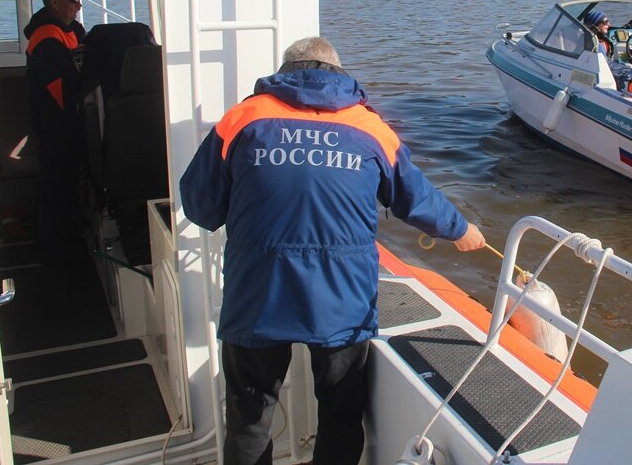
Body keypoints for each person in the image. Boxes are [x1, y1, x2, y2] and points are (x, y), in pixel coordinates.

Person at [179, 36, 486, 465]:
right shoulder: (369, 127)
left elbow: (199, 206)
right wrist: (462, 230)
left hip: (257, 295)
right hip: (341, 300)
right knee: (340, 417)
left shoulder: (242, 119)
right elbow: (416, 200)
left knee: (250, 421)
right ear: (338, 73)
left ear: (284, 71)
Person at [24, 0, 88, 261]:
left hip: (64, 125)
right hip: (57, 127)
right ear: (54, 2)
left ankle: (65, 237)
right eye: (73, 0)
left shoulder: (66, 29)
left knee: (64, 182)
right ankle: (53, 249)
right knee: (55, 184)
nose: (78, 6)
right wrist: (80, 122)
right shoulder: (46, 38)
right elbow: (60, 90)